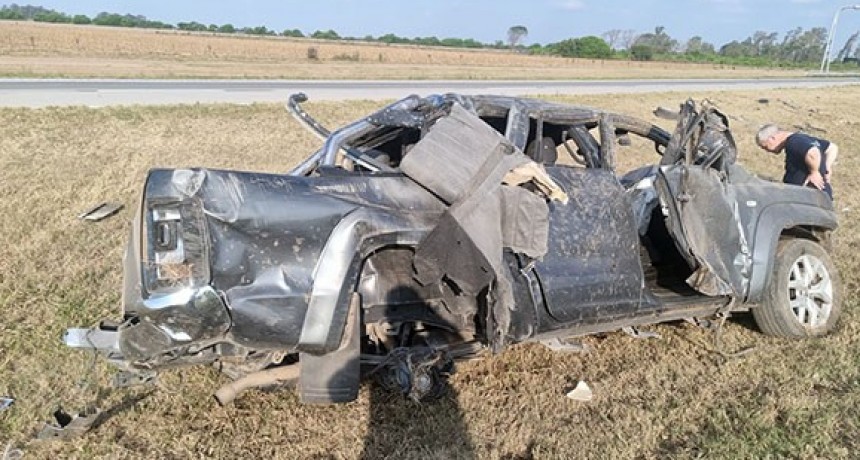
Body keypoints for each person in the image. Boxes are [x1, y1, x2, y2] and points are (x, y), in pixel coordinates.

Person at [756, 124, 838, 199]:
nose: (766, 150)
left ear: (772, 138)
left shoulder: (793, 142)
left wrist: (815, 172)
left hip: (809, 196)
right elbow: (832, 147)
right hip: (816, 194)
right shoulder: (802, 138)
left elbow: (812, 153)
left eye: (765, 146)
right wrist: (827, 167)